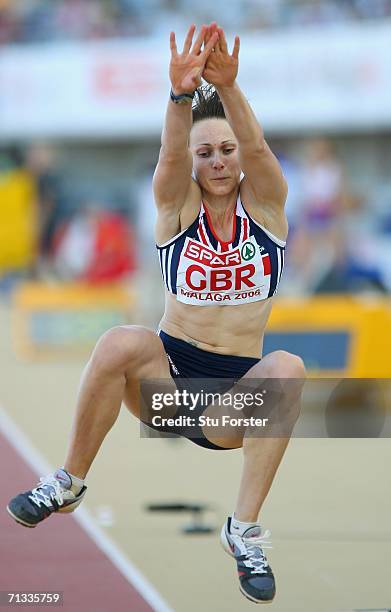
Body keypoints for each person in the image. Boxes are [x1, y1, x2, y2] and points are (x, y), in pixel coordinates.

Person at [7, 23, 305, 605]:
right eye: (205, 153)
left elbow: (262, 150)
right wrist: (179, 96)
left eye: (226, 150)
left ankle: (242, 531)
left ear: (239, 156)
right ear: (192, 163)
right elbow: (170, 154)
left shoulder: (267, 208)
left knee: (289, 367)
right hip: (166, 386)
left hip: (230, 398)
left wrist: (230, 91)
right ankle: (67, 481)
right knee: (120, 340)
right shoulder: (176, 208)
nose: (217, 161)